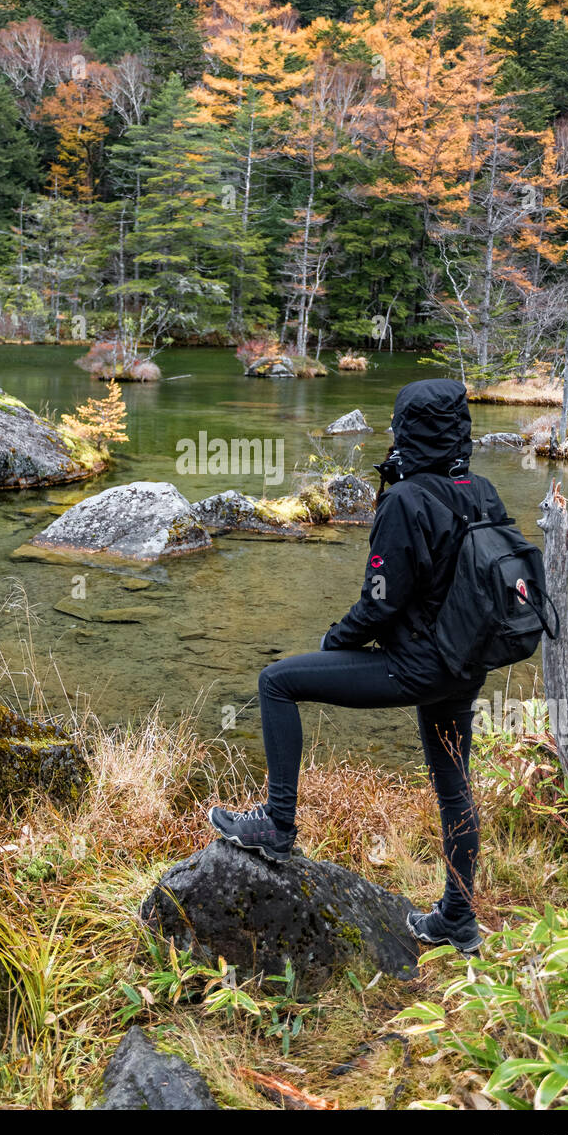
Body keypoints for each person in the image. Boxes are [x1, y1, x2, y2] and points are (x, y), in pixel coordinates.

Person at [208, 377, 510, 954]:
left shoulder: (404, 500)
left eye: (399, 425)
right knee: (453, 785)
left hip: (417, 665)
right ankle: (458, 919)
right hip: (464, 663)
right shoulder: (481, 490)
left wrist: (332, 641)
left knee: (276, 682)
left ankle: (277, 824)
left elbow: (380, 602)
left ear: (409, 430)